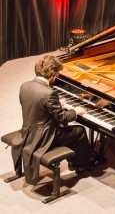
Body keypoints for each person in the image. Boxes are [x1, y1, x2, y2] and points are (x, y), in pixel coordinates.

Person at [10, 55, 96, 185]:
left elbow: (35, 106)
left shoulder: (25, 85)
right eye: (57, 75)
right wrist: (75, 112)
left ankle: (73, 161)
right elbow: (62, 119)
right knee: (79, 130)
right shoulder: (49, 93)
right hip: (44, 137)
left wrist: (56, 105)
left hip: (27, 131)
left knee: (70, 131)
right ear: (52, 74)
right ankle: (82, 164)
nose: (57, 77)